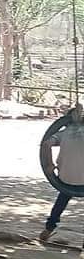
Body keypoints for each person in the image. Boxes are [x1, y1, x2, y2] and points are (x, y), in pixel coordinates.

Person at [39, 102, 84, 250]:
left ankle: (48, 229)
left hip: (66, 180)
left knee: (61, 201)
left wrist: (49, 165)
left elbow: (46, 144)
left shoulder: (62, 133)